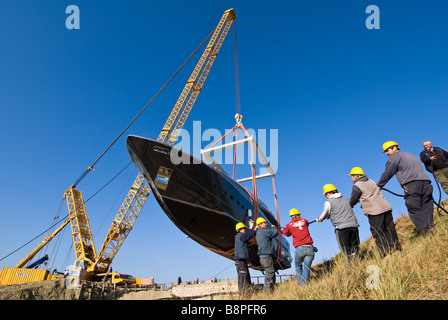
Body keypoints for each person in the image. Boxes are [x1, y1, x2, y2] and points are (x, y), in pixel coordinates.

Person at [377, 141, 434, 236]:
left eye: (387, 150)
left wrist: (379, 185)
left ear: (395, 148)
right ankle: (430, 228)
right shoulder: (410, 155)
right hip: (426, 182)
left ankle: (426, 231)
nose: (386, 153)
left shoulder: (394, 158)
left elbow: (388, 172)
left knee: (414, 207)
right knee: (426, 206)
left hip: (412, 184)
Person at [348, 167, 401, 257]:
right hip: (385, 207)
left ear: (356, 176)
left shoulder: (357, 185)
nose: (351, 179)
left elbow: (353, 199)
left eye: (352, 176)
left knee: (378, 232)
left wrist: (350, 205)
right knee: (390, 229)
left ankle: (385, 254)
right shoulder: (371, 181)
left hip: (374, 212)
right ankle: (396, 249)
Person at [316, 184, 360, 262]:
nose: (325, 196)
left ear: (330, 193)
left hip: (341, 228)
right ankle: (357, 261)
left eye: (326, 194)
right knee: (355, 246)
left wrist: (319, 219)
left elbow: (325, 213)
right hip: (353, 225)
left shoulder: (328, 202)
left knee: (345, 249)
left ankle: (350, 265)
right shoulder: (346, 199)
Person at [281, 208, 314, 286]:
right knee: (306, 267)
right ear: (297, 215)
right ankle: (304, 284)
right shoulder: (305, 221)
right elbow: (306, 224)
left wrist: (282, 230)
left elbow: (287, 234)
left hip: (299, 248)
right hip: (310, 247)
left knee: (298, 265)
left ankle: (301, 285)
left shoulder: (288, 225)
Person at [255, 217, 278, 293]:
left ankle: (271, 292)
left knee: (270, 274)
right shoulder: (265, 231)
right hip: (267, 257)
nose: (266, 224)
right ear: (260, 224)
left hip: (263, 257)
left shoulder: (258, 233)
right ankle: (267, 294)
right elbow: (274, 233)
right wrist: (274, 227)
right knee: (269, 275)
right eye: (265, 223)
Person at [234, 220, 256, 294]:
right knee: (243, 280)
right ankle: (243, 296)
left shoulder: (239, 236)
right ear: (240, 230)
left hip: (242, 262)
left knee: (246, 278)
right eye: (244, 229)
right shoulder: (241, 236)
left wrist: (251, 226)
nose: (245, 230)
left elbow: (247, 234)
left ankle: (246, 294)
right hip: (241, 262)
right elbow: (249, 235)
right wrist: (255, 229)